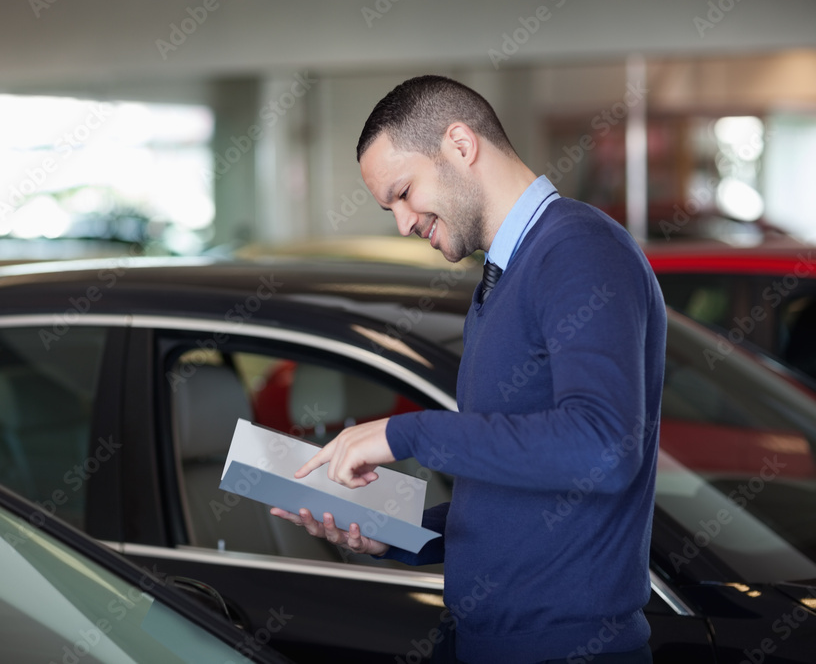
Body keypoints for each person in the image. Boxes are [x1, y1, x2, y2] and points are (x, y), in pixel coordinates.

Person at [271, 75, 666, 664]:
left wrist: (402, 433)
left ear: (460, 144)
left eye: (404, 192)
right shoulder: (501, 278)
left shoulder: (578, 250)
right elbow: (520, 490)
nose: (403, 223)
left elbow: (603, 447)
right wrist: (399, 532)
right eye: (390, 208)